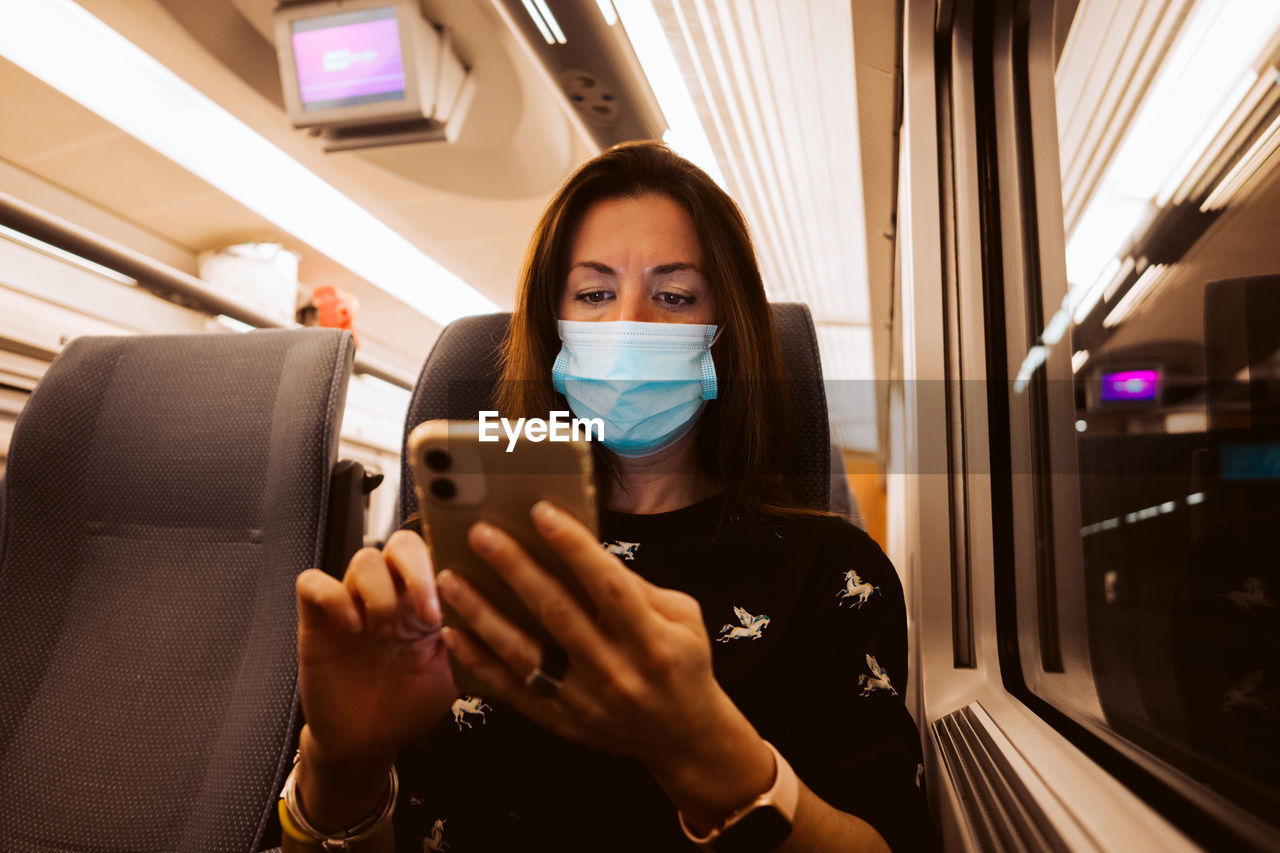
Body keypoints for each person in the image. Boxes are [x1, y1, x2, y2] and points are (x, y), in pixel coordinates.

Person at [283, 141, 936, 851]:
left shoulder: (832, 570)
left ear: (725, 336)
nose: (630, 324)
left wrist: (710, 753)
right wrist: (339, 768)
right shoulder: (441, 553)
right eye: (594, 294)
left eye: (675, 295)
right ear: (551, 327)